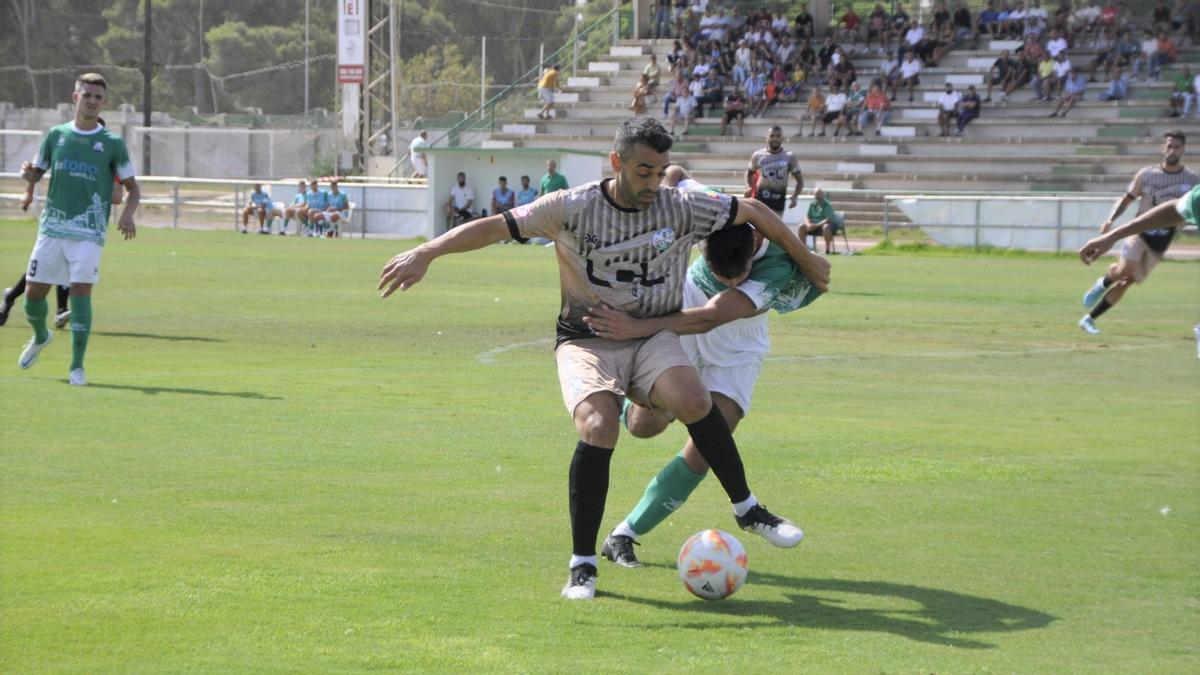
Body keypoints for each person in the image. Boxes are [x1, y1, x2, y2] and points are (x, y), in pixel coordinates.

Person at [376, 117, 831, 601]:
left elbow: (756, 210)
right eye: (643, 172)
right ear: (616, 162)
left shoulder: (683, 206)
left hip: (651, 335)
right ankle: (583, 565)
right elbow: (496, 227)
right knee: (600, 428)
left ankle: (747, 508)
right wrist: (427, 251)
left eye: (660, 172)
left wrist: (805, 258)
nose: (654, 183)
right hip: (587, 338)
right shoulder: (572, 207)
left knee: (694, 398)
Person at [15, 72, 140, 387]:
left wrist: (127, 214)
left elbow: (132, 188)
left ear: (103, 103)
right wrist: (28, 176)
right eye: (87, 95)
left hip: (89, 232)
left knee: (81, 293)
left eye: (98, 97)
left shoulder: (111, 143)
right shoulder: (56, 135)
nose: (92, 101)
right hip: (53, 228)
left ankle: (77, 368)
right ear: (75, 97)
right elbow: (37, 174)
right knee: (32, 296)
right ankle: (41, 337)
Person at [1078, 130, 1198, 335]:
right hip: (1140, 231)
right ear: (1163, 148)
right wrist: (1111, 220)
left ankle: (1089, 319)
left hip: (1163, 240)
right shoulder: (1147, 174)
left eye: (1177, 146)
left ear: (1183, 149)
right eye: (1169, 146)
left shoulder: (1192, 180)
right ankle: (1103, 283)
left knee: (1128, 281)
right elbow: (1127, 199)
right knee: (1126, 269)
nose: (1172, 150)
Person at [746, 127, 803, 216]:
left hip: (778, 202)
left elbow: (800, 181)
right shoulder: (758, 155)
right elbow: (750, 173)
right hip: (760, 200)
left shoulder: (790, 157)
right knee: (757, 228)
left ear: (782, 138)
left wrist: (795, 196)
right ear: (767, 138)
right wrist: (749, 187)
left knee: (773, 229)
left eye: (778, 136)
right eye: (772, 136)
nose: (775, 138)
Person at [798, 188, 844, 254]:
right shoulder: (812, 204)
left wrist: (815, 226)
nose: (818, 196)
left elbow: (828, 220)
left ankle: (827, 250)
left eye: (820, 194)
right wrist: (809, 225)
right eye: (816, 194)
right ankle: (803, 250)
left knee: (826, 227)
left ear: (823, 195)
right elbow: (807, 217)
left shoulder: (827, 204)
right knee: (801, 226)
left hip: (828, 225)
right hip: (814, 225)